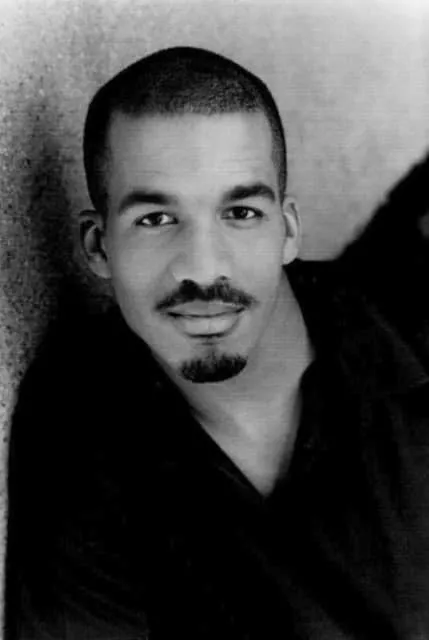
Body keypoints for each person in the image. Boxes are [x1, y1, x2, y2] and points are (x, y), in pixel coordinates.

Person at [5, 46, 429, 640]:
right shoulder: (79, 426)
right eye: (156, 219)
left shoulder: (406, 342)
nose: (203, 269)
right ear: (98, 246)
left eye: (241, 212)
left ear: (288, 230)